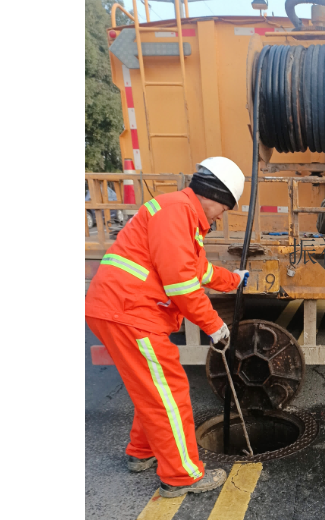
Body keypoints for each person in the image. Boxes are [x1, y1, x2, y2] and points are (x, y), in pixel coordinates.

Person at [85, 157, 250, 497]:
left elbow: (199, 271)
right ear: (216, 196)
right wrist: (214, 325)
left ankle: (141, 452)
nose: (221, 216)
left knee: (152, 388)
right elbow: (181, 284)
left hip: (122, 309)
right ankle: (181, 476)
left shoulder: (181, 214)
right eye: (225, 208)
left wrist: (234, 280)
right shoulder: (179, 213)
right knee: (169, 394)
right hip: (131, 312)